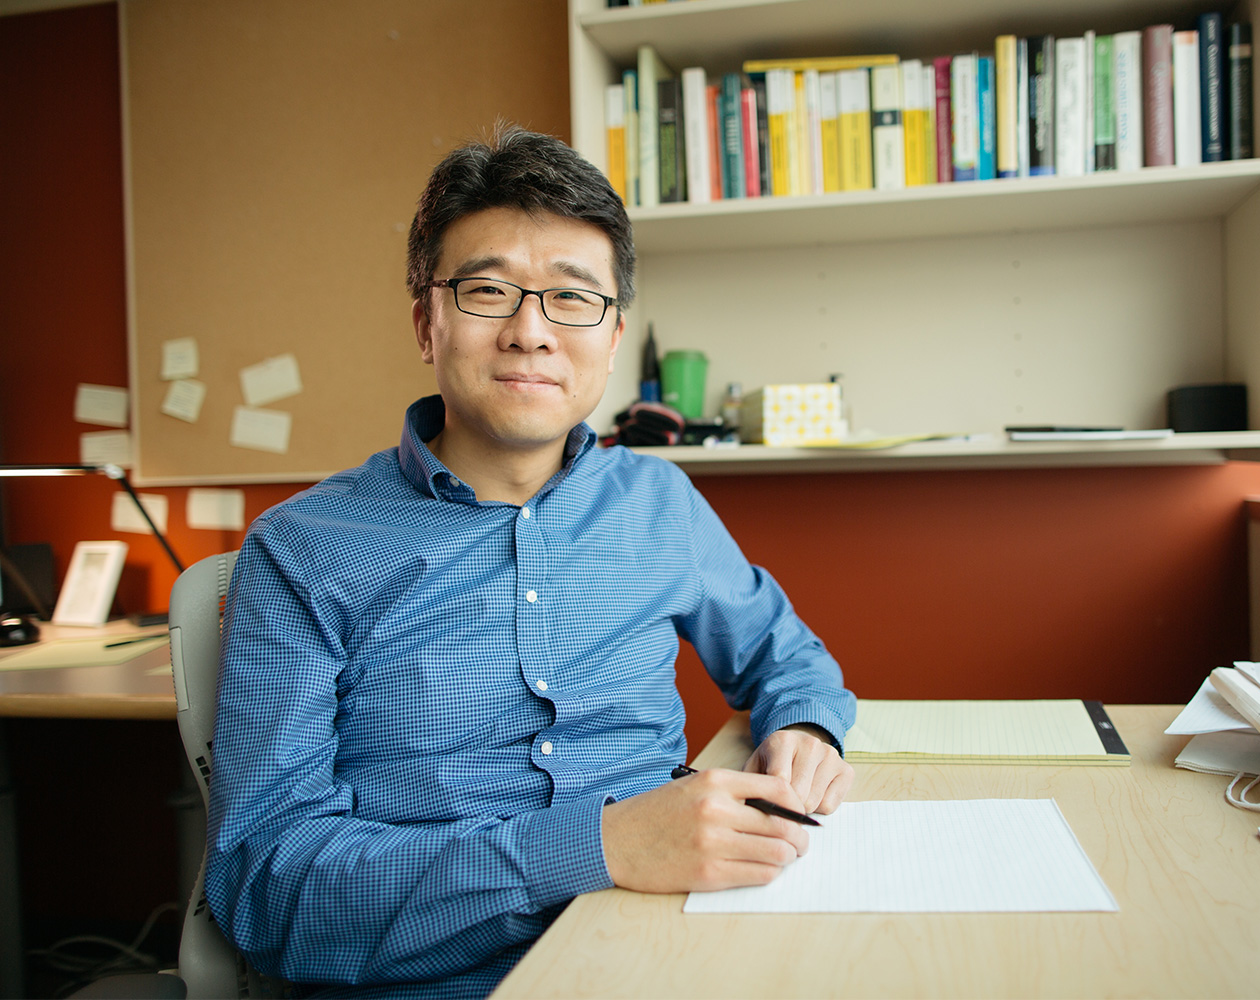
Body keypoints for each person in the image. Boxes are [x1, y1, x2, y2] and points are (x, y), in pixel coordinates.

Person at [205, 124, 857, 999]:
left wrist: (806, 726)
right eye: (487, 291)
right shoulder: (303, 552)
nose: (530, 331)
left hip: (686, 951)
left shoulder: (658, 505)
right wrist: (600, 846)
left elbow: (786, 655)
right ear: (425, 323)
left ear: (614, 333)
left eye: (571, 298)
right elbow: (268, 893)